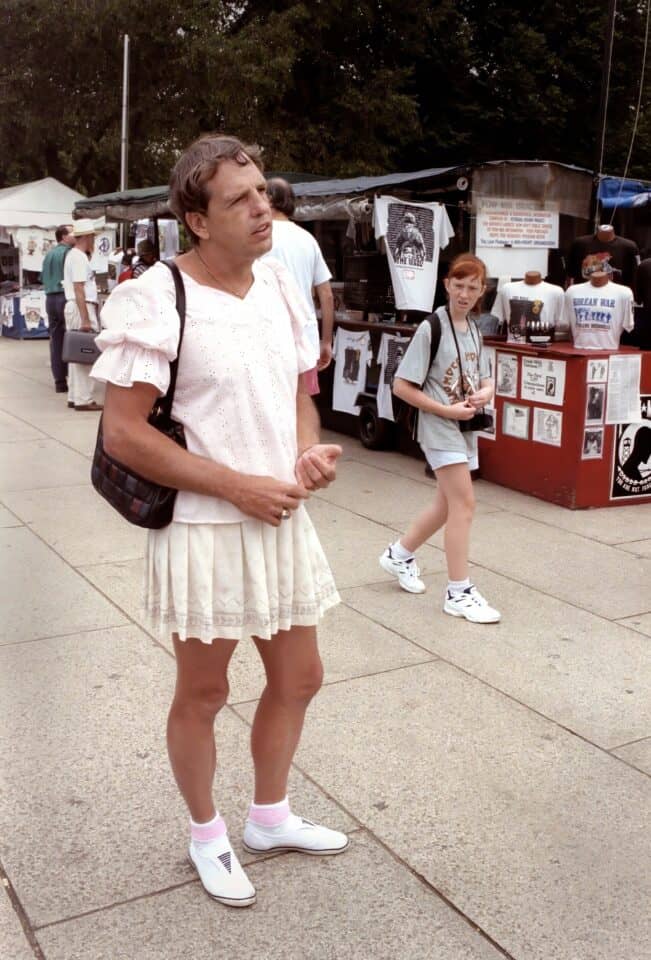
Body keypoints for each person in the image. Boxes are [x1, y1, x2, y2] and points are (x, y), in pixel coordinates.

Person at [90, 134, 348, 910]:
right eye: (239, 199)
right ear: (197, 221)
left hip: (277, 513)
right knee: (204, 693)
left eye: (262, 191)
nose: (261, 207)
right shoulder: (155, 296)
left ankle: (269, 817)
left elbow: (296, 395)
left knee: (300, 677)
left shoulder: (276, 285)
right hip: (206, 522)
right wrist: (237, 486)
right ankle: (207, 834)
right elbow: (123, 432)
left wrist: (306, 453)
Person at [378, 254, 501, 624]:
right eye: (458, 285)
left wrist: (486, 392)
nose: (464, 293)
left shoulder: (474, 329)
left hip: (463, 425)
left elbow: (485, 376)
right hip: (440, 426)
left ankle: (399, 554)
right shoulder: (431, 327)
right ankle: (458, 591)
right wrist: (447, 411)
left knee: (447, 505)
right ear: (446, 284)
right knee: (465, 504)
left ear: (482, 290)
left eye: (472, 287)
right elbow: (401, 386)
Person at [263, 178, 334, 383]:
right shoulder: (308, 239)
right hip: (306, 343)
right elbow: (327, 296)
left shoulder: (259, 238)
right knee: (304, 408)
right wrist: (326, 341)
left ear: (268, 200)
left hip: (270, 343)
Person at [63, 219, 103, 412]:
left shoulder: (74, 255)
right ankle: (83, 398)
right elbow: (79, 288)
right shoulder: (79, 257)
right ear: (88, 236)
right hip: (82, 306)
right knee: (85, 353)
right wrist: (86, 318)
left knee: (75, 352)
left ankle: (75, 395)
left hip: (76, 306)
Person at [41, 224, 76, 393]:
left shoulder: (49, 254)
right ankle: (73, 378)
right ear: (63, 236)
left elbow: (42, 277)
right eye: (72, 232)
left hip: (50, 297)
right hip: (64, 296)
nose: (75, 235)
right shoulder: (69, 253)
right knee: (73, 338)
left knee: (56, 340)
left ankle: (59, 381)